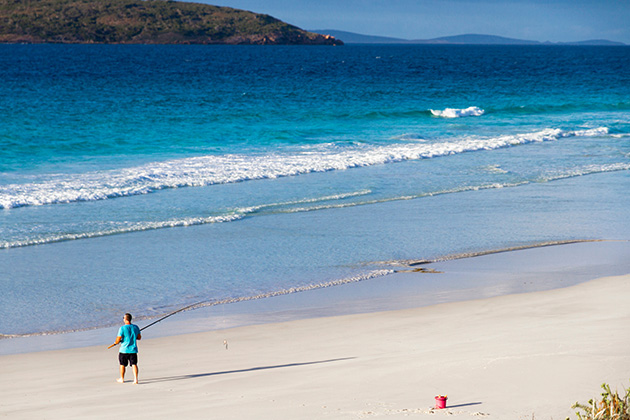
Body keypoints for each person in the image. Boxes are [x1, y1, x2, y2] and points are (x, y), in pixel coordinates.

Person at [111, 313, 141, 384]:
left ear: (125, 319)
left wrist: (116, 342)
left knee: (122, 364)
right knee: (134, 364)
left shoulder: (122, 328)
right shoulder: (135, 327)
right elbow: (139, 337)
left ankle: (122, 378)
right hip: (133, 350)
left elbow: (118, 339)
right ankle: (136, 379)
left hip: (124, 350)